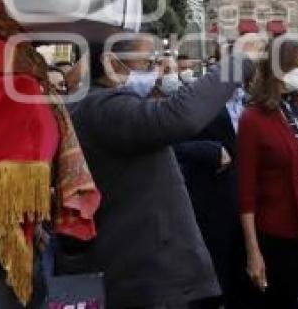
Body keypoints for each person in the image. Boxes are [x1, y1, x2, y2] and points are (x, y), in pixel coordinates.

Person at [57, 33, 258, 308]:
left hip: (145, 272)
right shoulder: (101, 107)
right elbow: (180, 117)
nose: (156, 70)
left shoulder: (102, 105)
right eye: (146, 62)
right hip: (142, 279)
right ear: (110, 64)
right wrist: (240, 61)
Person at [237, 38, 298, 309]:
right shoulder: (253, 118)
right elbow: (246, 192)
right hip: (279, 235)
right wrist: (253, 250)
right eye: (297, 64)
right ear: (278, 68)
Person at [174, 80, 250, 309]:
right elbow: (168, 142)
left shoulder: (258, 101)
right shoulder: (197, 101)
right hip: (212, 198)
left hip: (248, 197)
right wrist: (206, 151)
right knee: (215, 270)